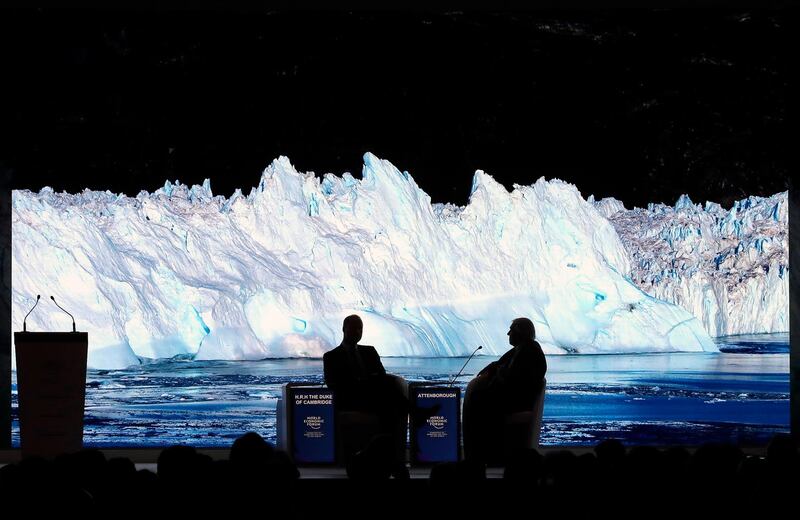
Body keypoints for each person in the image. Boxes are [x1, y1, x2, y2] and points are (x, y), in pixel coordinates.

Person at [323, 315, 437, 461]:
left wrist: (367, 382)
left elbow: (381, 376)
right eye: (354, 328)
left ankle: (387, 459)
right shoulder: (331, 356)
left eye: (360, 328)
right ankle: (412, 418)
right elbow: (334, 384)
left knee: (387, 403)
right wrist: (362, 383)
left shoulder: (369, 351)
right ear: (344, 329)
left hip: (375, 397)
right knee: (389, 404)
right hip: (352, 399)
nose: (358, 332)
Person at [462, 317, 547, 464]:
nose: (508, 333)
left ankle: (480, 456)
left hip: (516, 402)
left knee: (477, 402)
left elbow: (512, 380)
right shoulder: (524, 349)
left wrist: (496, 370)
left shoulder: (527, 351)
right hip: (514, 399)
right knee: (477, 399)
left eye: (512, 330)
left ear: (521, 332)